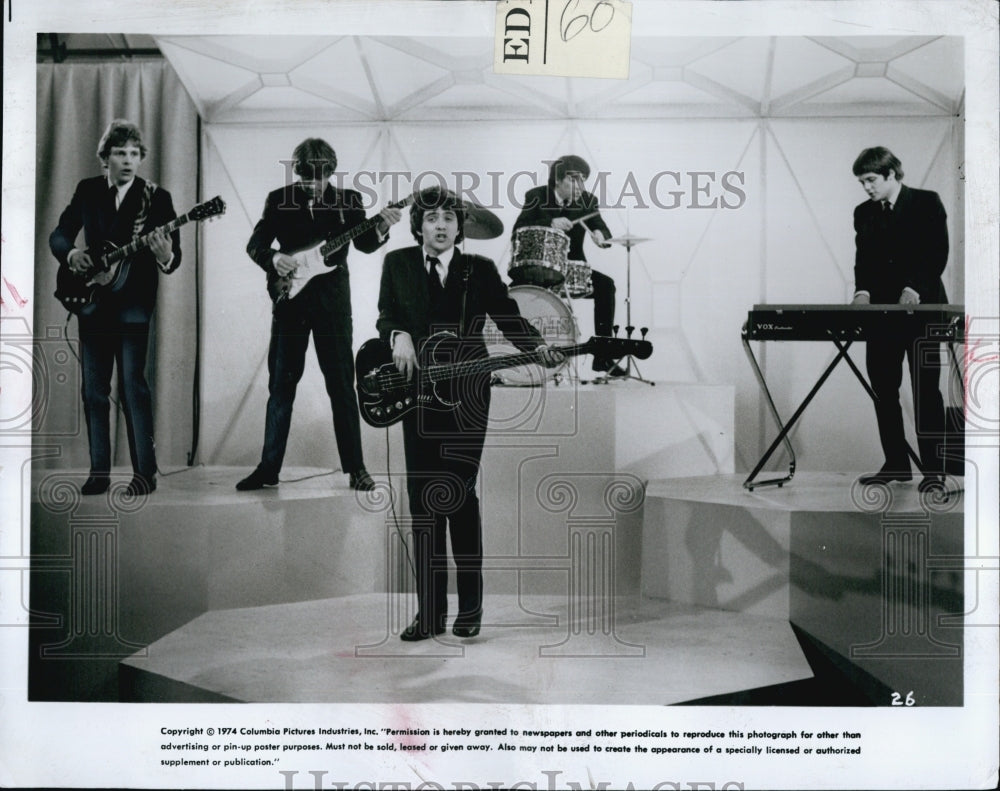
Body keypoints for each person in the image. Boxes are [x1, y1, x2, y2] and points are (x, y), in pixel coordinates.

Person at [377, 187, 562, 640]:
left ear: (461, 227)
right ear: (418, 224)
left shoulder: (478, 269)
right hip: (417, 394)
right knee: (423, 503)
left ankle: (471, 608)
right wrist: (398, 333)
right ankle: (429, 614)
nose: (440, 225)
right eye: (431, 217)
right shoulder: (397, 264)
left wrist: (537, 347)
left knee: (457, 493)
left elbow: (507, 315)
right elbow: (386, 315)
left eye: (449, 218)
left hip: (467, 394)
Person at [237, 138, 401, 492]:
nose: (313, 184)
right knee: (281, 386)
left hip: (332, 305)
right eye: (306, 177)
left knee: (342, 385)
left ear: (331, 172)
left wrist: (383, 226)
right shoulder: (279, 199)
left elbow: (365, 244)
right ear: (296, 172)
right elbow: (256, 244)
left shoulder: (349, 201)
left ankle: (356, 468)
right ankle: (268, 469)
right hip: (290, 302)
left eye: (321, 177)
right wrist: (274, 259)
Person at [49, 119, 182, 497]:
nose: (127, 160)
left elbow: (175, 258)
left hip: (134, 304)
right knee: (93, 390)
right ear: (105, 157)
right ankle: (99, 473)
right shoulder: (88, 190)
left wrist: (166, 253)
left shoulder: (157, 198)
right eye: (120, 153)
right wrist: (71, 253)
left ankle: (144, 474)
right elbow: (59, 233)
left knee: (132, 386)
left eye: (134, 154)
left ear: (141, 158)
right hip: (92, 302)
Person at [851, 146, 949, 492]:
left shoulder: (927, 202)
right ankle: (896, 463)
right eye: (862, 182)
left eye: (871, 180)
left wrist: (914, 287)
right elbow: (864, 259)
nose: (866, 187)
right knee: (884, 389)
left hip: (921, 313)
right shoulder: (863, 213)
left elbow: (937, 252)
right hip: (883, 316)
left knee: (925, 391)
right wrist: (862, 291)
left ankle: (933, 470)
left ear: (891, 174)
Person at [511, 154, 623, 377]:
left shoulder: (587, 201)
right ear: (558, 180)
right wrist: (550, 222)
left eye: (583, 180)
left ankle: (602, 355)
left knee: (606, 286)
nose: (580, 186)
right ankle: (518, 354)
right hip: (536, 269)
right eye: (574, 180)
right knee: (507, 299)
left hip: (571, 268)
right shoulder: (536, 195)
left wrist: (601, 234)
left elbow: (600, 225)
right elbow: (518, 229)